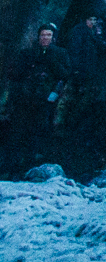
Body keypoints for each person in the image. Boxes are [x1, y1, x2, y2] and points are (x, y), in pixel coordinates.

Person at [2, 24, 71, 170]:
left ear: (53, 37)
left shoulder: (59, 53)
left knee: (39, 130)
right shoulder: (28, 53)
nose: (45, 38)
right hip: (26, 97)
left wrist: (54, 92)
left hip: (46, 98)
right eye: (43, 35)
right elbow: (16, 74)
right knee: (19, 130)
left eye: (48, 35)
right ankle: (13, 165)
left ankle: (30, 163)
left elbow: (64, 75)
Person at [66, 15, 106, 148]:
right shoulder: (80, 32)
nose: (93, 23)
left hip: (95, 75)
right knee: (79, 104)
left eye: (94, 20)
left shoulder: (98, 33)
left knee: (90, 106)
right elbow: (75, 51)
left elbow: (105, 49)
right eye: (90, 20)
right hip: (83, 74)